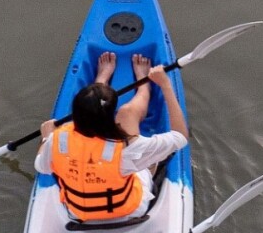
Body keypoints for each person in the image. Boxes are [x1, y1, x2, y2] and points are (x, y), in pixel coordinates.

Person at [37, 51, 188, 222]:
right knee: (127, 113)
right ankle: (144, 85)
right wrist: (165, 85)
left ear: (76, 115)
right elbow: (180, 137)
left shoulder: (57, 140)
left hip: (78, 213)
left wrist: (46, 138)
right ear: (110, 116)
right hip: (129, 211)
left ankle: (101, 79)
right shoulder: (128, 147)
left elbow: (41, 166)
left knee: (111, 114)